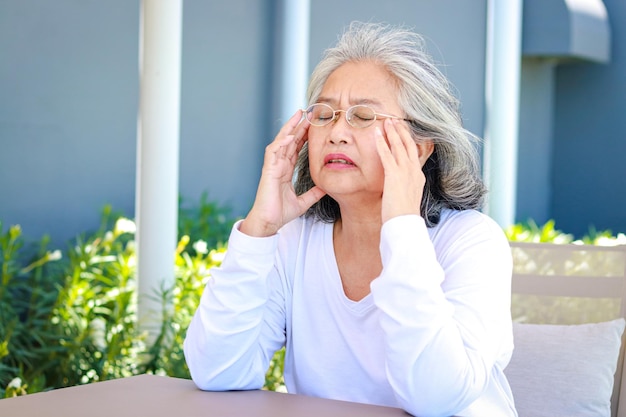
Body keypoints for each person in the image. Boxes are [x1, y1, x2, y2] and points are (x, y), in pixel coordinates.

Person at [183, 21, 517, 417]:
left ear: (420, 148)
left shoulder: (472, 241)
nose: (338, 132)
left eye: (362, 116)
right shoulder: (295, 239)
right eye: (324, 114)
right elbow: (218, 371)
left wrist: (402, 230)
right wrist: (260, 230)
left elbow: (436, 398)